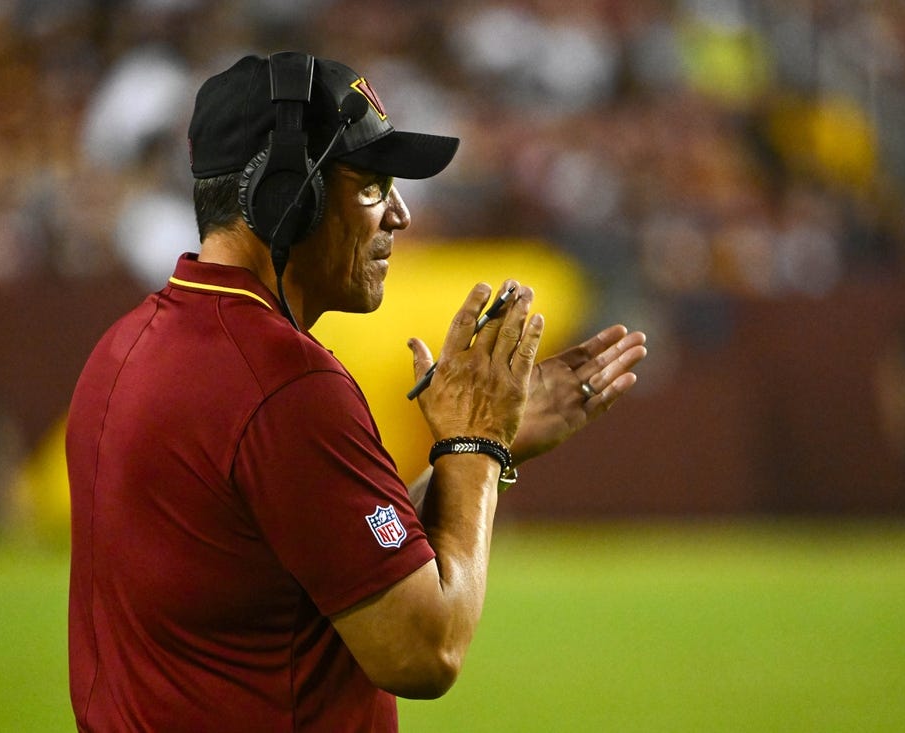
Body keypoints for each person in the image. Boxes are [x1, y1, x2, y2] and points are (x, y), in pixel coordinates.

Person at [66, 51, 647, 732]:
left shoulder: (124, 345)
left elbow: (316, 553)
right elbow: (424, 650)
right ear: (288, 195)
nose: (399, 212)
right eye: (371, 184)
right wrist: (475, 442)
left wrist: (482, 455)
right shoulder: (286, 386)